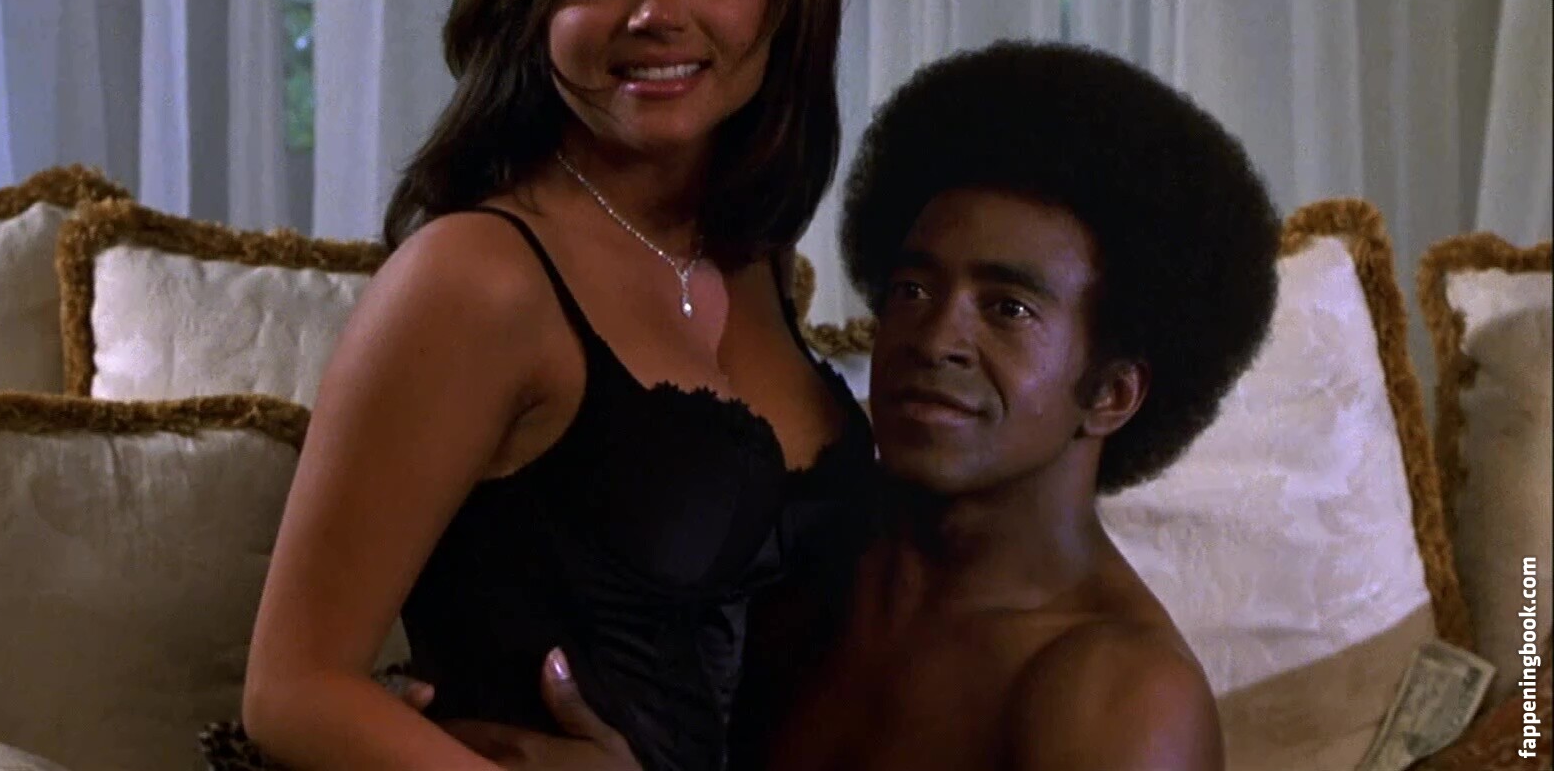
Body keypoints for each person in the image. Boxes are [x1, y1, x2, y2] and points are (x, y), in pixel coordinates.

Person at [238, 0, 874, 771]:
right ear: (525, 0)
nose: (655, 13)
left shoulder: (745, 254)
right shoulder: (476, 277)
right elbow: (292, 692)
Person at [434, 40, 1279, 770]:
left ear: (1113, 393)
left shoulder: (1119, 697)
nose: (934, 338)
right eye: (913, 289)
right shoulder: (803, 556)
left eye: (1007, 309)